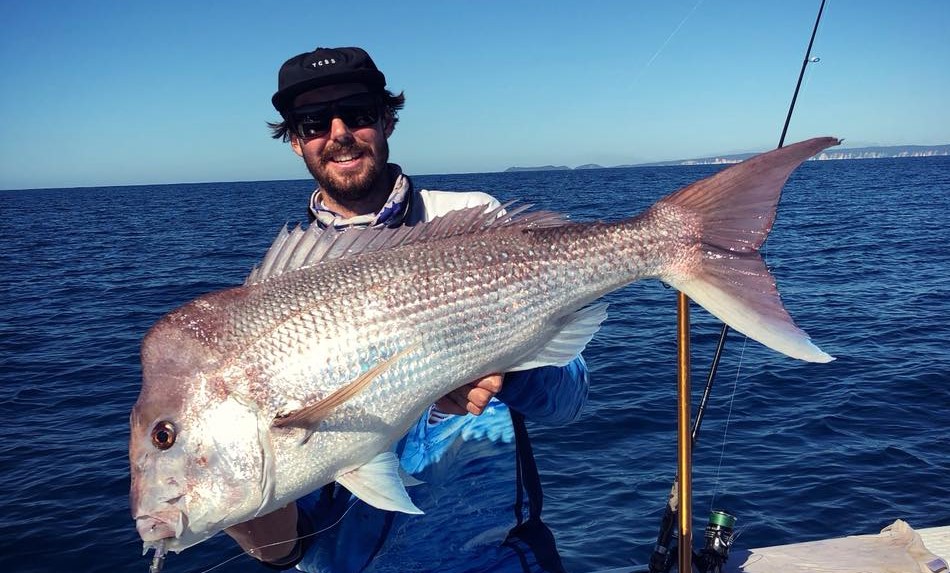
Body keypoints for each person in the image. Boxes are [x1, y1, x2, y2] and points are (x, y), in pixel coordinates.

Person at [224, 46, 590, 572]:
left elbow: (570, 400)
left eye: (359, 113)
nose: (339, 133)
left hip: (499, 559)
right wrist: (243, 510)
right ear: (296, 141)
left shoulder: (476, 222)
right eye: (312, 123)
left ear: (388, 118)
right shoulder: (274, 300)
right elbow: (291, 543)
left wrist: (507, 372)